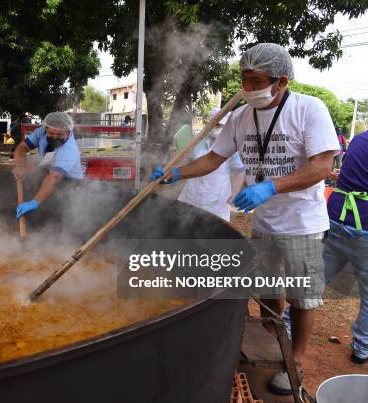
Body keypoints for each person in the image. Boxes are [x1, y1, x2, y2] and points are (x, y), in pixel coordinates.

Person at [151, 43, 340, 395]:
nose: (247, 88)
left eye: (256, 81)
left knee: (303, 297)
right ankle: (273, 342)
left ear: (281, 81)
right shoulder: (240, 118)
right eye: (244, 79)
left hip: (304, 222)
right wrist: (176, 173)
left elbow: (322, 166)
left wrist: (270, 187)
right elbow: (212, 159)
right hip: (266, 223)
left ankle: (295, 360)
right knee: (269, 293)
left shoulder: (307, 109)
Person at [322, 130, 368, 365]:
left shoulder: (360, 138)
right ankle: (361, 349)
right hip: (365, 225)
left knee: (318, 278)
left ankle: (287, 325)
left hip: (337, 219)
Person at [177, 108, 245, 221]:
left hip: (217, 196)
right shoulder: (198, 140)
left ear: (226, 127)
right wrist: (174, 172)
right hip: (192, 191)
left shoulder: (232, 145)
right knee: (187, 224)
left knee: (212, 229)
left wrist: (235, 192)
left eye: (220, 125)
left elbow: (240, 170)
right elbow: (188, 161)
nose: (216, 128)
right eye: (214, 124)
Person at [12, 112, 83, 219]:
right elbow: (22, 148)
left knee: (64, 216)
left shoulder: (69, 150)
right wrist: (20, 166)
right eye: (51, 133)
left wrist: (34, 202)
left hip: (70, 184)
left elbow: (55, 177)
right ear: (46, 129)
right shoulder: (42, 131)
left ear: (68, 132)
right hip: (49, 175)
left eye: (59, 134)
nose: (54, 137)